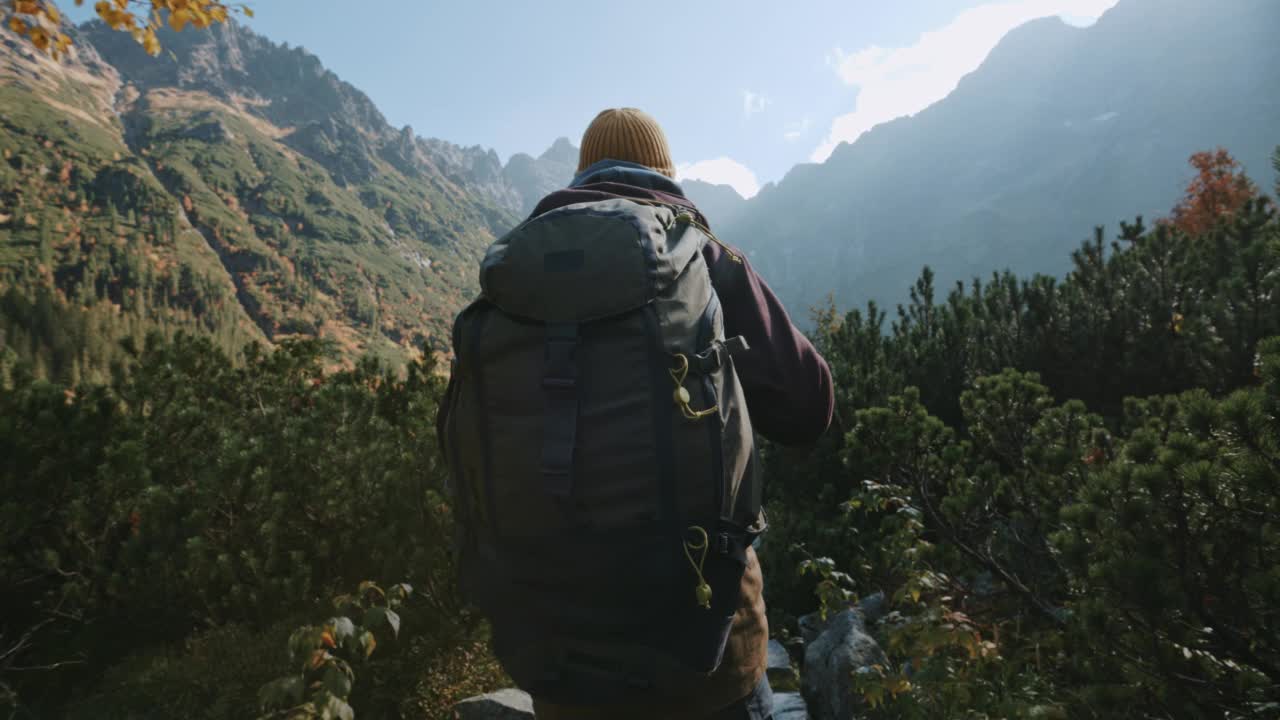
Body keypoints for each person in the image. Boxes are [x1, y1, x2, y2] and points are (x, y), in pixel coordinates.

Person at [439, 108, 834, 720]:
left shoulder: (514, 283)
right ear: (664, 173)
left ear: (580, 175)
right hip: (708, 655)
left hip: (560, 659)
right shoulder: (699, 257)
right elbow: (809, 408)